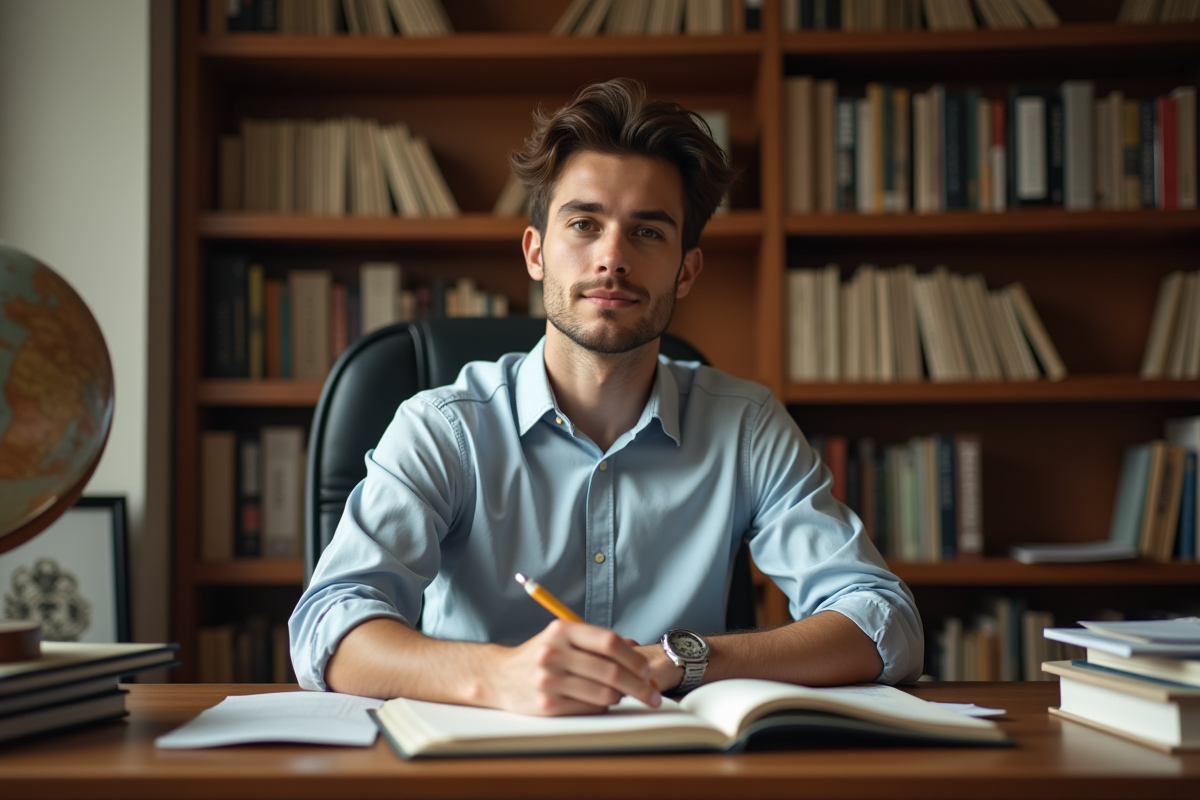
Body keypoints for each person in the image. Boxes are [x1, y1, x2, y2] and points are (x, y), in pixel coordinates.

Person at [290, 78, 923, 716]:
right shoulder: (442, 427)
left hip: (672, 763)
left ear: (686, 269)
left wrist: (683, 659)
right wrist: (498, 676)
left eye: (647, 233)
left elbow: (884, 620)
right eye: (584, 224)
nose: (612, 258)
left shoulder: (746, 425)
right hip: (475, 762)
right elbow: (329, 627)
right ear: (536, 252)